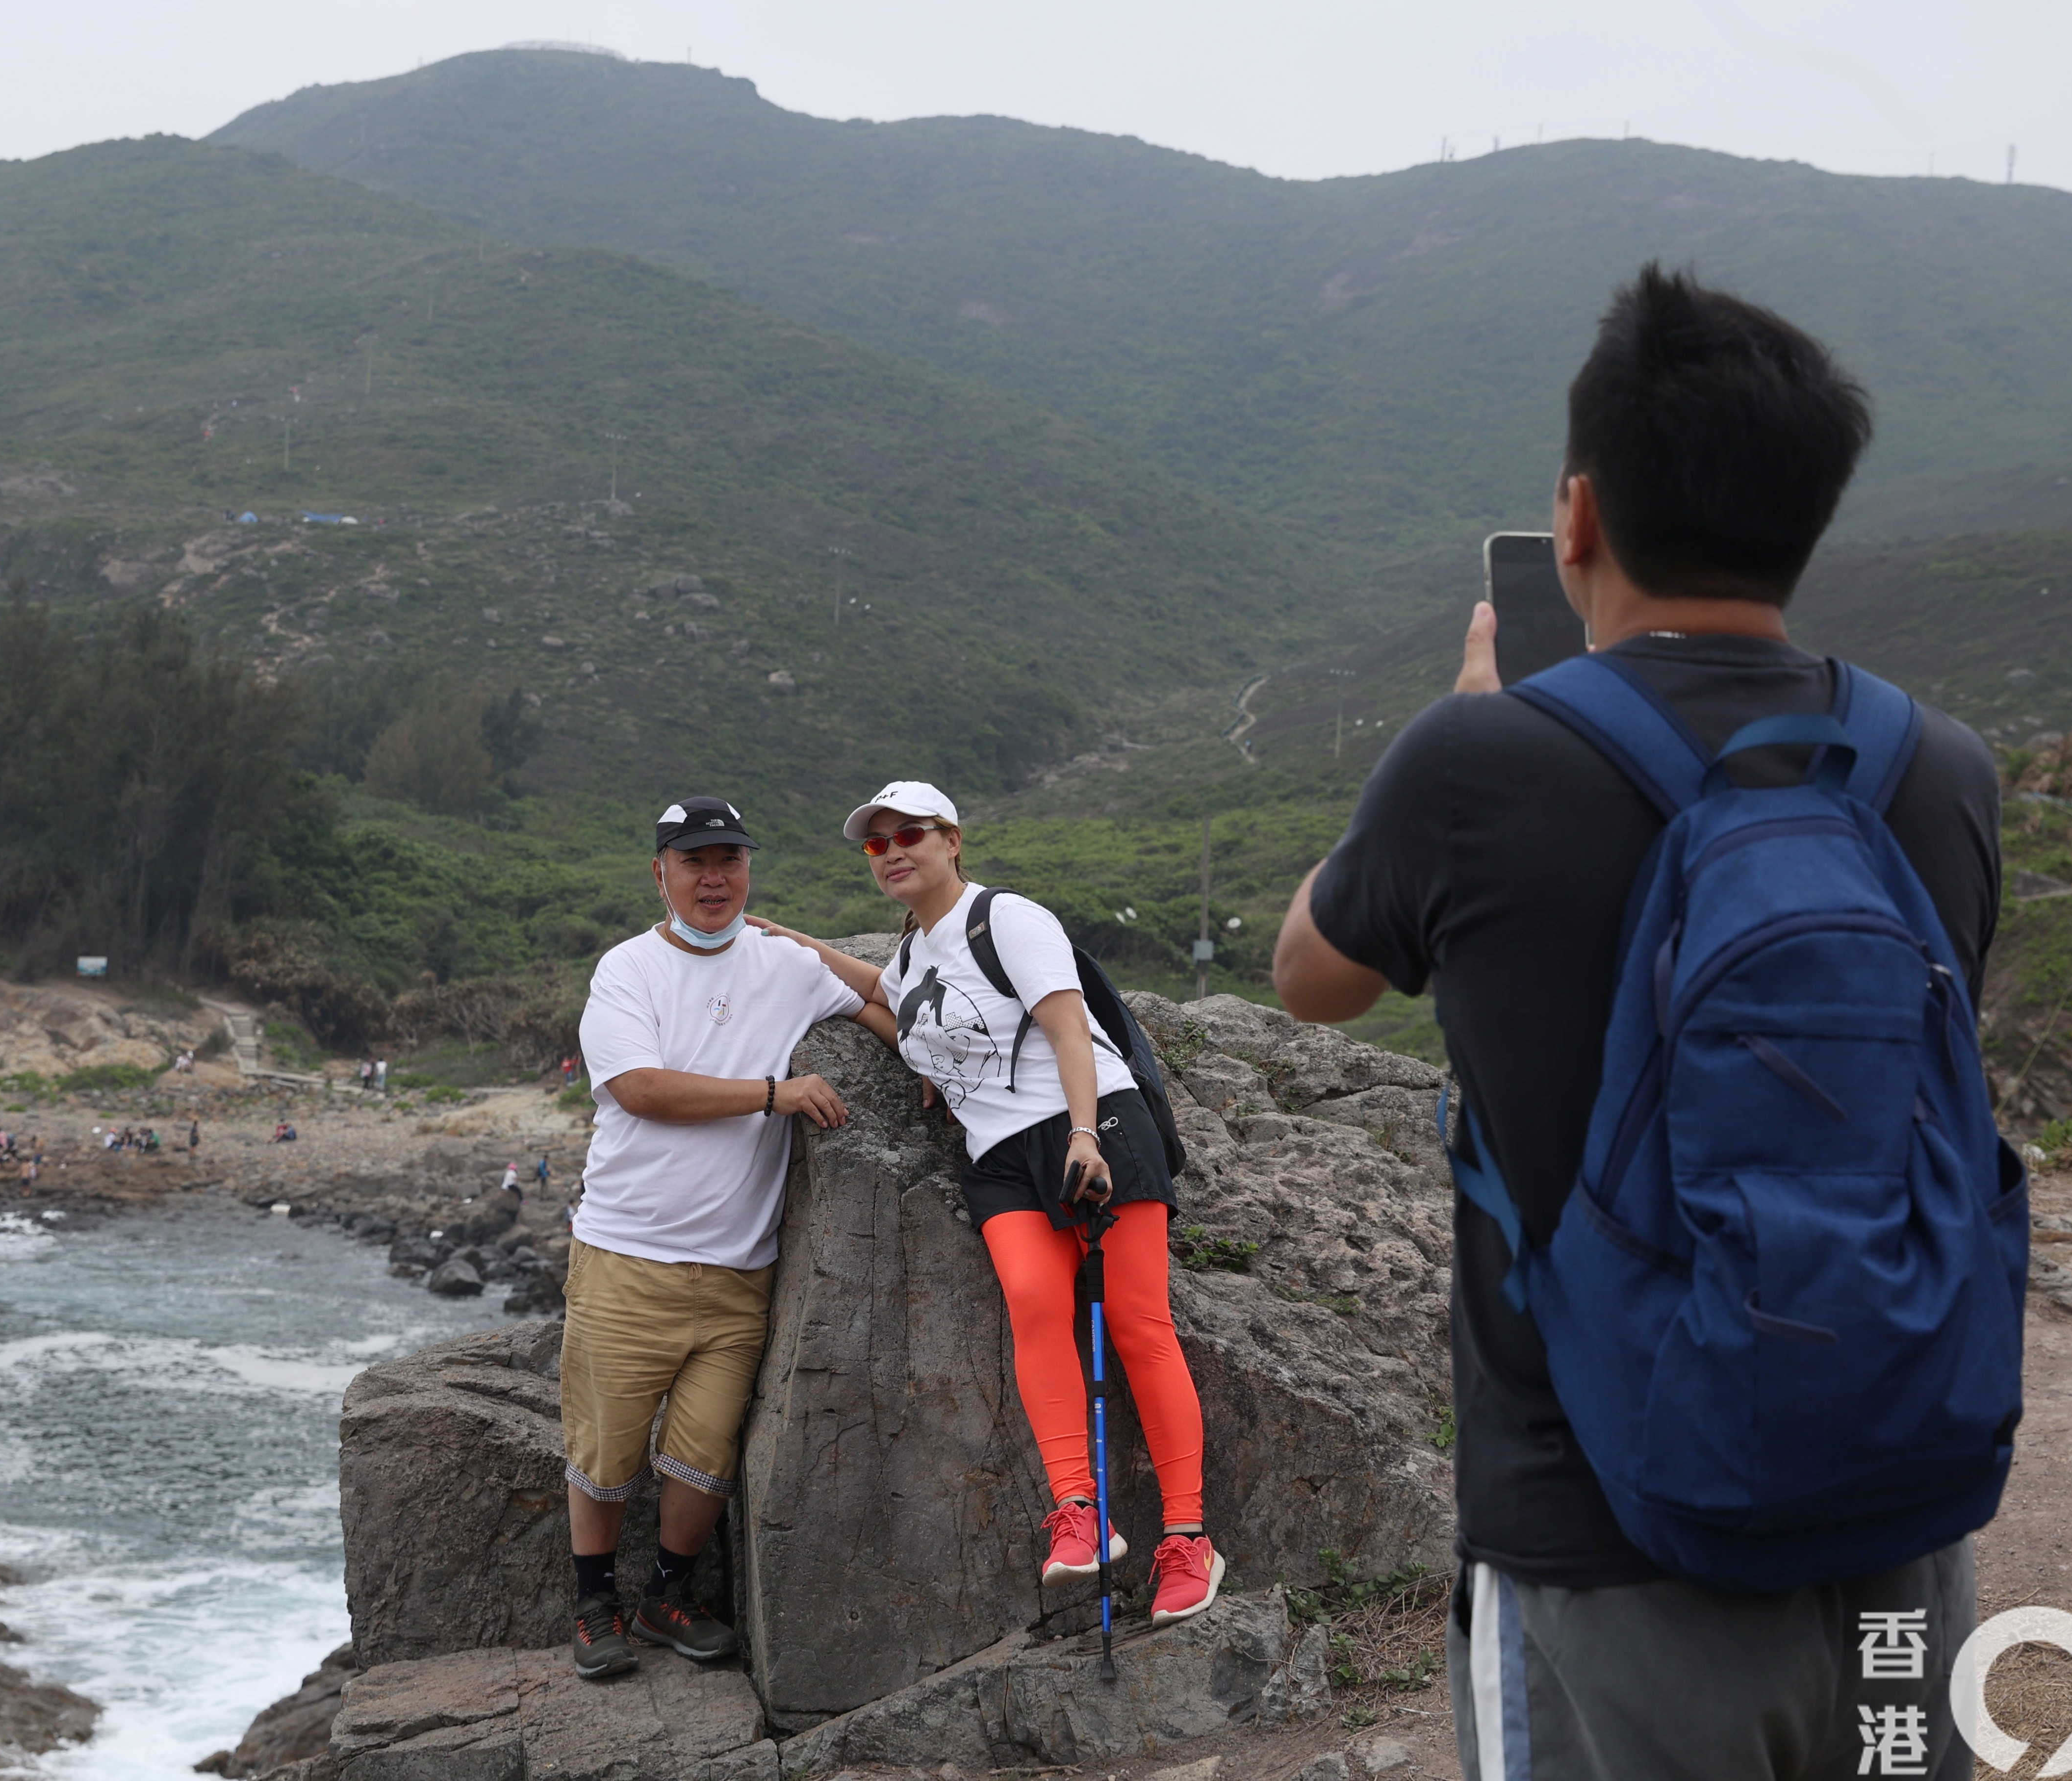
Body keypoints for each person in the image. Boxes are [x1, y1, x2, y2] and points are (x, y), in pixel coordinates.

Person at [1272, 266, 2004, 1781]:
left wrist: (1463, 728)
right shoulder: (1943, 770)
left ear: (1578, 517)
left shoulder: (1475, 765)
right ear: (1811, 516)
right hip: (1897, 1524)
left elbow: (1311, 977)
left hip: (1599, 1537)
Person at [756, 779, 1227, 1629]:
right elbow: (886, 1002)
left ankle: (1189, 1540)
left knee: (1137, 1323)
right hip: (999, 1157)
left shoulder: (1007, 919)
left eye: (911, 835)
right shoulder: (912, 957)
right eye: (877, 843)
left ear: (952, 840)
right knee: (1037, 1310)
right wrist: (790, 944)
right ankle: (1080, 1514)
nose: (894, 850)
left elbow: (1067, 1023)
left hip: (1096, 1128)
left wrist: (1085, 1134)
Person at [562, 795, 892, 1682]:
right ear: (660, 873)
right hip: (629, 1256)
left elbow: (890, 1007)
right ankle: (594, 1605)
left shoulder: (782, 964)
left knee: (704, 1457)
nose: (715, 878)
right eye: (695, 861)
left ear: (750, 869)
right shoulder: (626, 970)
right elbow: (639, 1087)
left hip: (741, 1270)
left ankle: (668, 1597)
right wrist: (771, 1093)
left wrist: (811, 950)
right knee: (606, 1450)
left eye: (730, 860)